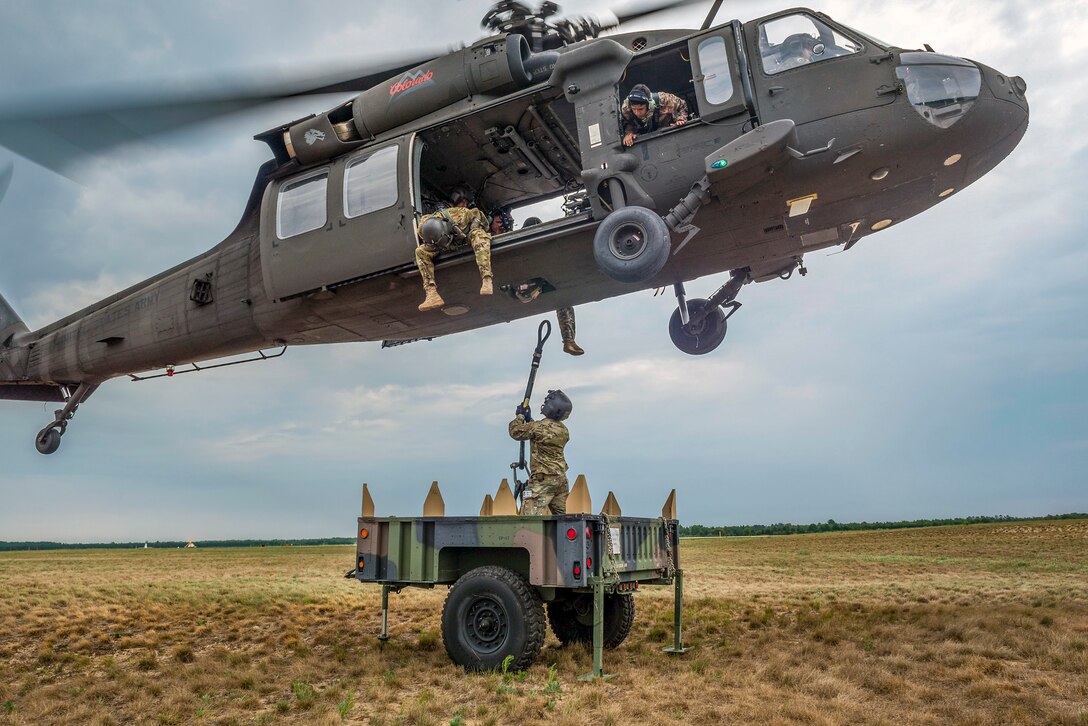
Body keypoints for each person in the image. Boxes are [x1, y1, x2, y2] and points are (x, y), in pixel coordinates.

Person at [508, 216, 584, 356]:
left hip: (539, 284)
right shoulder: (519, 247)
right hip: (523, 284)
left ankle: (569, 341)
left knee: (564, 301)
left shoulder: (543, 247)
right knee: (563, 300)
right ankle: (568, 341)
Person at [414, 187, 493, 312]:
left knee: (479, 234)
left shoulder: (463, 213)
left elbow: (485, 223)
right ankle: (431, 294)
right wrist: (440, 244)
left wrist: (474, 227)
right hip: (440, 240)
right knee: (420, 251)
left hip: (464, 236)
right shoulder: (424, 226)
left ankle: (487, 279)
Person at [509, 390, 572, 515]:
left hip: (542, 481)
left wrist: (520, 416)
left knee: (529, 520)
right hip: (561, 481)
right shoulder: (563, 430)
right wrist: (530, 419)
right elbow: (542, 433)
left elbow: (515, 431)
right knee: (562, 520)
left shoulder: (537, 427)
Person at [621, 83, 688, 147]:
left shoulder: (663, 99)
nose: (637, 113)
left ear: (650, 105)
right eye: (634, 109)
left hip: (669, 132)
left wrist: (681, 119)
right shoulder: (626, 109)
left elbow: (682, 104)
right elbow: (627, 123)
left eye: (640, 109)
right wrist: (629, 134)